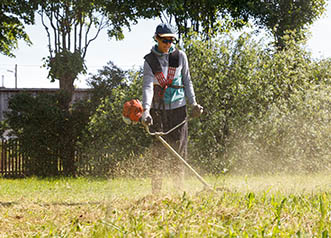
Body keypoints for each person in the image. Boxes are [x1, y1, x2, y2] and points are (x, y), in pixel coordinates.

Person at [141, 23, 203, 194]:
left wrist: (194, 104)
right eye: (164, 40)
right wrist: (146, 110)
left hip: (179, 109)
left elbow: (187, 81)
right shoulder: (149, 60)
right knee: (158, 154)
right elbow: (147, 86)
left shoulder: (180, 56)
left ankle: (179, 192)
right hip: (158, 112)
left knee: (180, 153)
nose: (168, 44)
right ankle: (156, 194)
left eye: (171, 40)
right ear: (156, 38)